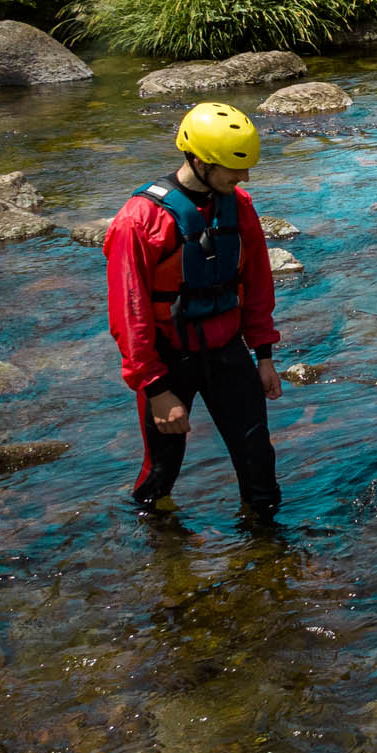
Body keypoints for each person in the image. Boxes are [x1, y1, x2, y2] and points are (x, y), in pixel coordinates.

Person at [104, 101, 284, 513]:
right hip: (168, 362)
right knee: (161, 474)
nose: (244, 177)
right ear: (199, 160)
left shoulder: (239, 207)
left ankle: (267, 554)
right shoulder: (139, 220)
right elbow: (129, 316)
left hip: (227, 352)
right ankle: (161, 558)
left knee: (259, 465)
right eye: (233, 168)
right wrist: (155, 389)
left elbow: (257, 284)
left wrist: (265, 355)